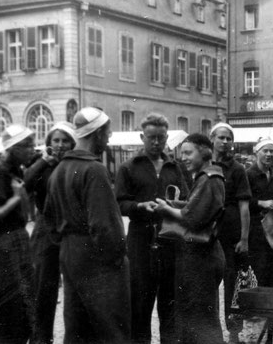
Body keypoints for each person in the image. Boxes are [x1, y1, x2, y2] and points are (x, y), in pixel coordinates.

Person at [44, 107, 131, 343]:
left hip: (69, 255)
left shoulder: (58, 171)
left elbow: (49, 224)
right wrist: (117, 259)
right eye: (108, 132)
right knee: (112, 328)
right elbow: (106, 228)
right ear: (98, 133)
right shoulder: (95, 170)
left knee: (77, 328)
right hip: (97, 258)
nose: (110, 137)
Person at [114, 113, 189, 344]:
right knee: (140, 303)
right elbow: (119, 203)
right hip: (140, 242)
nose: (156, 142)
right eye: (151, 137)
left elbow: (187, 199)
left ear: (167, 137)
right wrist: (139, 206)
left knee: (170, 302)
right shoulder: (128, 167)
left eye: (160, 137)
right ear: (141, 137)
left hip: (170, 243)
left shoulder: (174, 168)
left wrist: (172, 207)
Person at [153, 133, 225, 344]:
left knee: (199, 318)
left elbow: (191, 218)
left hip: (200, 257)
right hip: (202, 255)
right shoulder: (209, 177)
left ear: (204, 152)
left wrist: (166, 208)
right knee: (199, 315)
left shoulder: (208, 180)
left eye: (188, 152)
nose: (183, 157)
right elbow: (195, 209)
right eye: (181, 152)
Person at [0, 125, 36, 343]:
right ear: (14, 148)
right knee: (3, 311)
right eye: (27, 145)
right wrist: (16, 198)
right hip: (4, 250)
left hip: (16, 246)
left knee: (19, 312)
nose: (32, 149)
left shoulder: (15, 171)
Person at [24, 122, 76, 344]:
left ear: (72, 144)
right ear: (48, 143)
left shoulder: (75, 164)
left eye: (65, 141)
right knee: (43, 288)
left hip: (70, 230)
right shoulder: (41, 164)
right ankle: (41, 339)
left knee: (74, 290)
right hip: (45, 230)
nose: (60, 145)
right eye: (56, 140)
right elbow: (25, 183)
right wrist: (44, 161)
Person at [209, 122, 251, 344]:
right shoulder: (204, 164)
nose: (225, 142)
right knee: (207, 284)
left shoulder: (238, 169)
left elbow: (244, 206)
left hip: (231, 235)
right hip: (207, 235)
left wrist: (244, 238)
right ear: (212, 139)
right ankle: (210, 333)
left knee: (232, 286)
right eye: (221, 138)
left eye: (229, 138)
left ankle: (234, 333)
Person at [246, 137, 273, 288]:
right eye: (265, 151)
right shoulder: (248, 175)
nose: (269, 154)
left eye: (271, 151)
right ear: (257, 152)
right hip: (255, 230)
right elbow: (241, 201)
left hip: (272, 229)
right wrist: (261, 203)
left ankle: (271, 303)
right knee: (258, 268)